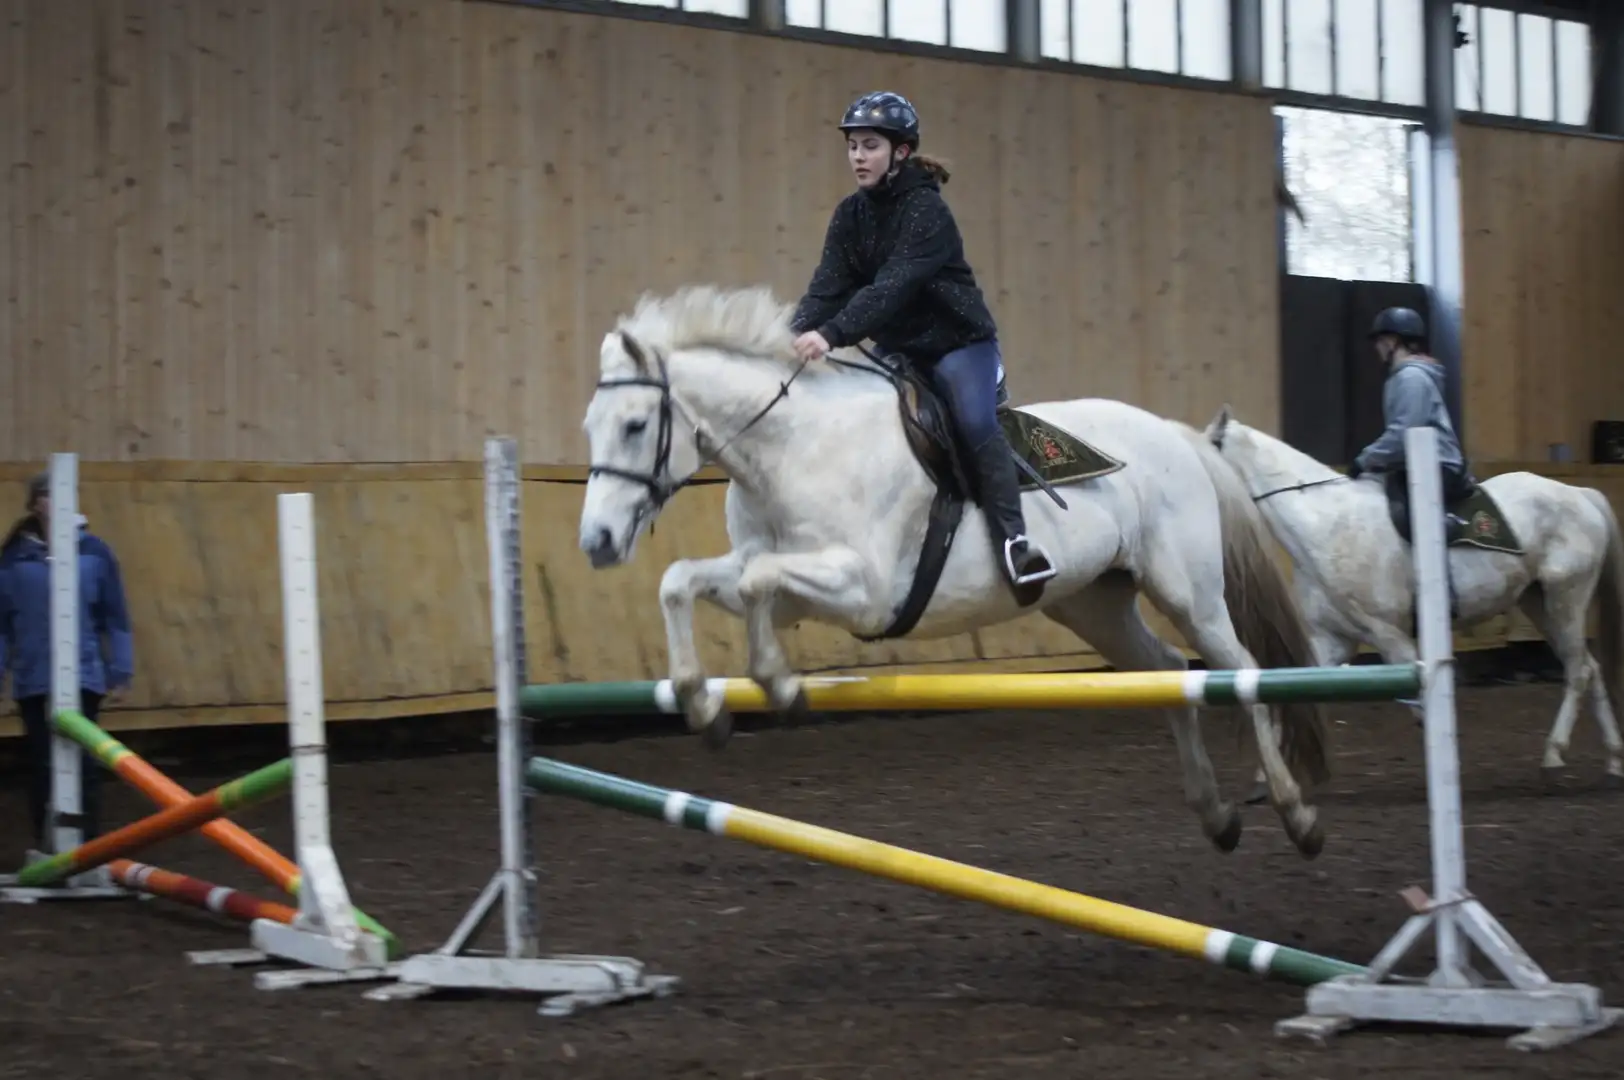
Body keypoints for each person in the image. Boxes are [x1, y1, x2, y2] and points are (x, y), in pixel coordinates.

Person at [787, 90, 1057, 589]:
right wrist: (787, 338)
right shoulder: (850, 216)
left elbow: (892, 287)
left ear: (901, 152)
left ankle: (1015, 543)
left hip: (958, 346)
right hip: (901, 352)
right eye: (853, 147)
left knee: (975, 421)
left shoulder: (926, 212)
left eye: (869, 146)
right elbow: (826, 289)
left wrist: (832, 334)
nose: (858, 157)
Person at [0, 472, 134, 852]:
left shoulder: (95, 553)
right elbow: (3, 626)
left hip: (84, 673)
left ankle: (88, 845)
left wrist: (120, 670)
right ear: (35, 504)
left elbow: (115, 617)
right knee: (42, 763)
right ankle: (48, 847)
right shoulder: (14, 558)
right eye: (46, 495)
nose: (54, 501)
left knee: (86, 765)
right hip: (34, 676)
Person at [1347, 307, 1476, 613]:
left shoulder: (1412, 378)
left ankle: (1442, 591)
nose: (1377, 348)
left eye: (1381, 340)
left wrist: (1366, 459)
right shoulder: (1401, 378)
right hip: (1415, 463)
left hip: (1437, 464)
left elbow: (1405, 433)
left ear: (1397, 341)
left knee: (1416, 515)